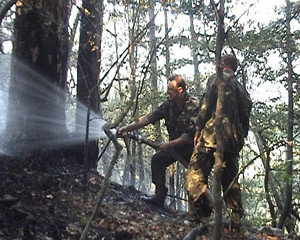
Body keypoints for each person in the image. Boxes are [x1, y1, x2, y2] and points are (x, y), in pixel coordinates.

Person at [185, 54, 252, 229]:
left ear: (222, 65)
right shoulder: (242, 90)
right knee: (230, 182)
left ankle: (196, 219)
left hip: (210, 137)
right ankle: (236, 222)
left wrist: (198, 128)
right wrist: (239, 136)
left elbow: (206, 107)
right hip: (233, 142)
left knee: (195, 175)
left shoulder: (216, 79)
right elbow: (245, 119)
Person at [117, 74, 202, 209]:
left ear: (180, 90)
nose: (168, 92)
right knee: (158, 160)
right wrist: (126, 128)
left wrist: (168, 145)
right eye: (168, 89)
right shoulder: (168, 104)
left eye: (171, 89)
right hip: (175, 146)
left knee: (195, 180)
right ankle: (159, 197)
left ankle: (201, 212)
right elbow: (148, 118)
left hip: (193, 149)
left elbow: (189, 136)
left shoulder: (193, 105)